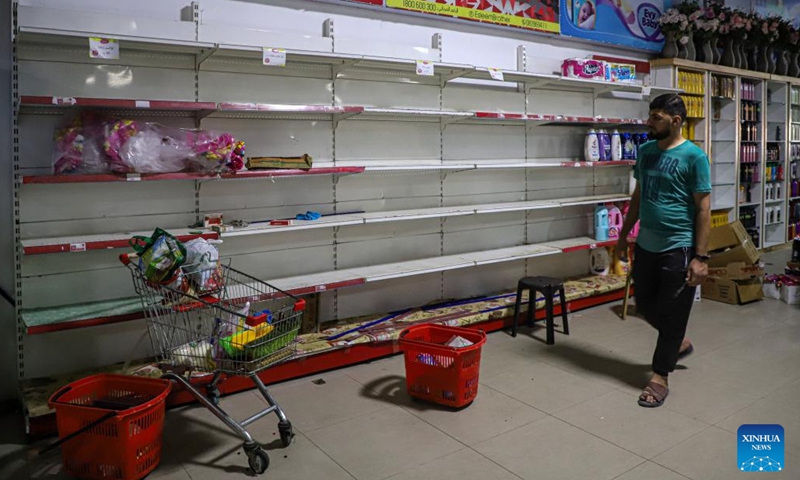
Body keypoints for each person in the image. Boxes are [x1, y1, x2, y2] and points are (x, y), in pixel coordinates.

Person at [616, 94, 711, 408]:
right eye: (650, 116)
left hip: (679, 247)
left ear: (676, 121)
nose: (648, 122)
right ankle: (677, 342)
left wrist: (701, 257)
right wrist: (622, 237)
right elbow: (638, 198)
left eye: (656, 117)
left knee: (672, 313)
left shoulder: (694, 157)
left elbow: (703, 209)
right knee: (644, 304)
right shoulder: (645, 152)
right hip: (647, 245)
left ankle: (660, 377)